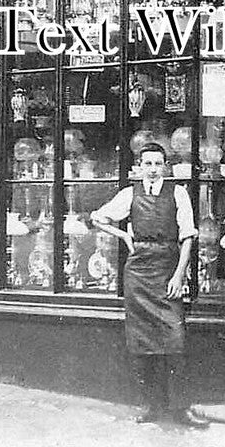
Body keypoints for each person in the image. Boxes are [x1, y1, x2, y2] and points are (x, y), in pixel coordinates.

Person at [90, 142, 210, 429]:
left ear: (165, 167)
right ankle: (152, 406)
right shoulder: (129, 194)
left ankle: (181, 408)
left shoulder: (178, 193)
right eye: (148, 164)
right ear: (139, 167)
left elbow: (188, 238)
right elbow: (97, 217)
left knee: (175, 339)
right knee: (143, 343)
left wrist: (179, 275)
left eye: (158, 164)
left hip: (168, 268)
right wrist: (124, 235)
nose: (153, 170)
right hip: (139, 273)